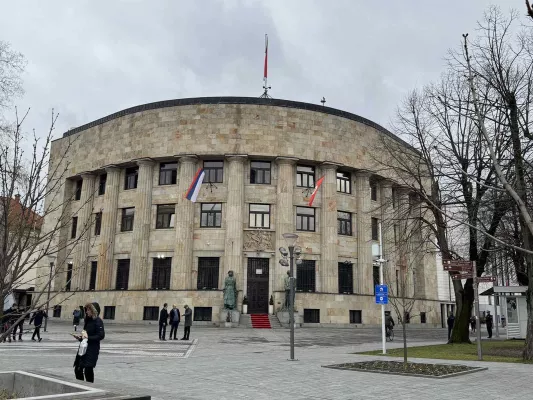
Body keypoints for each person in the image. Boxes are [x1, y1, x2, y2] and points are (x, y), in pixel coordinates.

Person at [73, 302, 105, 383]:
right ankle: (81, 385)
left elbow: (101, 335)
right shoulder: (88, 320)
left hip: (92, 349)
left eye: (88, 310)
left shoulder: (98, 321)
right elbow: (86, 335)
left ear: (93, 311)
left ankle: (89, 385)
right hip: (83, 347)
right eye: (86, 310)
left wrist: (88, 337)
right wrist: (80, 337)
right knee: (78, 369)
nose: (86, 312)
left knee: (88, 369)